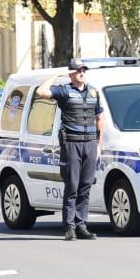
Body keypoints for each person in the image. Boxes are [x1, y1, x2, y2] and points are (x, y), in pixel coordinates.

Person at [37, 58, 105, 240]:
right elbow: (41, 91)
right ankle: (69, 227)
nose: (82, 72)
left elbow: (100, 118)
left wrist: (99, 144)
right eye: (78, 70)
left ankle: (81, 225)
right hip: (71, 144)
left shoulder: (92, 91)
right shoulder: (64, 91)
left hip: (89, 143)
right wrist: (55, 75)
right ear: (71, 73)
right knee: (72, 186)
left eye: (83, 69)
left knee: (85, 186)